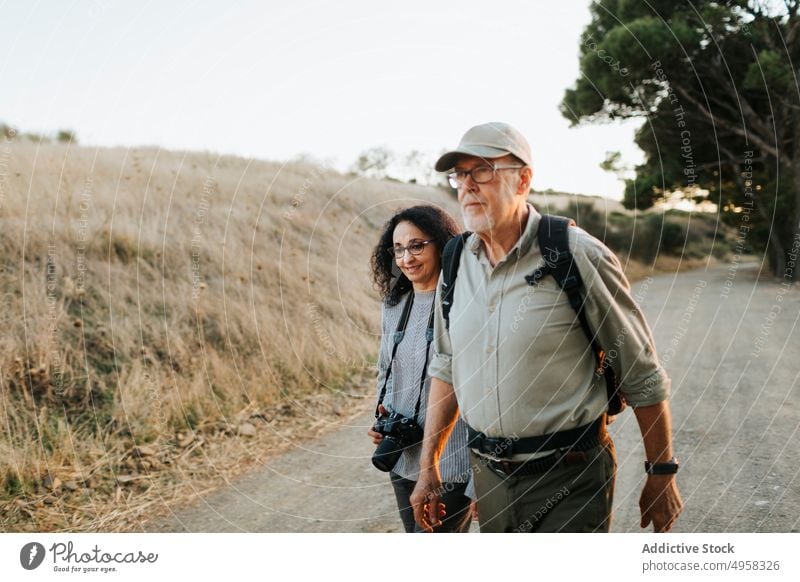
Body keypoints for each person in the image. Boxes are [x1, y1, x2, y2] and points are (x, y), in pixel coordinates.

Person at [409, 122, 684, 533]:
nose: (467, 185)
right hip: (490, 478)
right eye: (460, 174)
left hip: (569, 478)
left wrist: (661, 472)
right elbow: (447, 364)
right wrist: (428, 464)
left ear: (523, 179)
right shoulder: (454, 261)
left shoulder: (575, 254)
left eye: (482, 170)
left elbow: (641, 372)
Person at [368, 205, 473, 533]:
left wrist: (480, 478)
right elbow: (386, 368)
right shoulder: (393, 305)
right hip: (402, 458)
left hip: (451, 465)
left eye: (416, 246)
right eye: (398, 249)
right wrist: (381, 419)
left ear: (442, 244)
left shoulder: (465, 305)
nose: (406, 258)